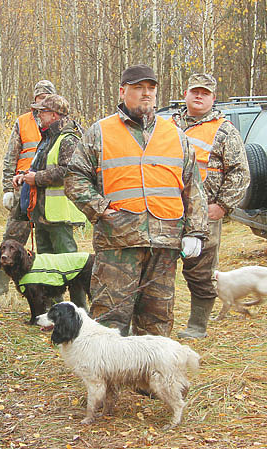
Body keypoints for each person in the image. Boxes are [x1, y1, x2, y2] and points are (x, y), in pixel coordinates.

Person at [65, 64, 209, 337]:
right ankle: (110, 378)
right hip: (117, 241)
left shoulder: (175, 135)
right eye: (138, 88)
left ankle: (150, 378)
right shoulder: (100, 132)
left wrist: (196, 232)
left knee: (157, 318)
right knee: (109, 318)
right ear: (123, 91)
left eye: (151, 88)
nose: (146, 94)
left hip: (165, 244)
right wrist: (101, 209)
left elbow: (193, 188)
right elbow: (74, 178)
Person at [172, 73, 249, 339]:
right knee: (160, 268)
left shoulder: (225, 130)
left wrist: (223, 206)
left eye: (205, 93)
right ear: (186, 94)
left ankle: (197, 326)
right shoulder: (167, 125)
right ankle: (158, 323)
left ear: (213, 98)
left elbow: (240, 172)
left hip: (205, 214)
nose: (199, 96)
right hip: (167, 211)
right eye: (195, 91)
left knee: (201, 271)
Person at [12, 94, 88, 308]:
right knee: (46, 265)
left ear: (54, 115)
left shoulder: (68, 139)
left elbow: (67, 170)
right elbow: (42, 166)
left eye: (41, 112)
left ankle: (79, 310)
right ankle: (54, 308)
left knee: (70, 265)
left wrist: (36, 178)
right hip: (42, 212)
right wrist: (25, 175)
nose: (38, 115)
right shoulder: (47, 137)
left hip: (60, 215)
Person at [0, 80, 57, 298]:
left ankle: (48, 288)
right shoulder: (23, 122)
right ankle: (0, 285)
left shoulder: (61, 123)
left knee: (48, 243)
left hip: (50, 192)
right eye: (40, 98)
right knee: (12, 237)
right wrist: (8, 189)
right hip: (23, 192)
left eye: (47, 98)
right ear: (34, 100)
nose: (43, 101)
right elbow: (10, 157)